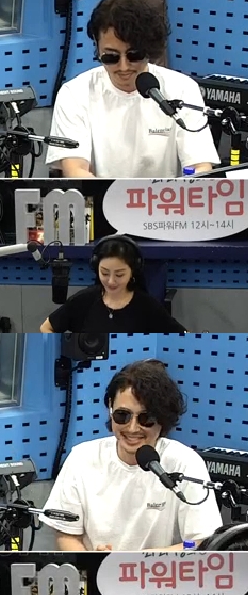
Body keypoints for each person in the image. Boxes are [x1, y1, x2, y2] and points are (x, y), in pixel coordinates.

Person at [42, 359, 222, 551]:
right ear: (110, 408)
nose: (132, 428)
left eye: (146, 418)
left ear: (163, 418)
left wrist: (138, 561)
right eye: (123, 415)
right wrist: (94, 561)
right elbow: (67, 534)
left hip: (159, 570)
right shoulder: (82, 457)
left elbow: (198, 543)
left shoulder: (185, 463)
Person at [46, 0, 219, 177]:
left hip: (165, 195)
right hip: (100, 195)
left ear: (149, 49)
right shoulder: (74, 93)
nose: (123, 66)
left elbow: (200, 166)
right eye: (111, 57)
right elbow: (75, 170)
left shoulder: (183, 89)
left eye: (134, 55)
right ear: (97, 45)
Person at [40, 235, 188, 334]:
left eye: (119, 275)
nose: (111, 281)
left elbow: (183, 336)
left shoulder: (147, 306)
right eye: (104, 273)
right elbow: (46, 328)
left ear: (133, 271)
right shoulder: (83, 300)